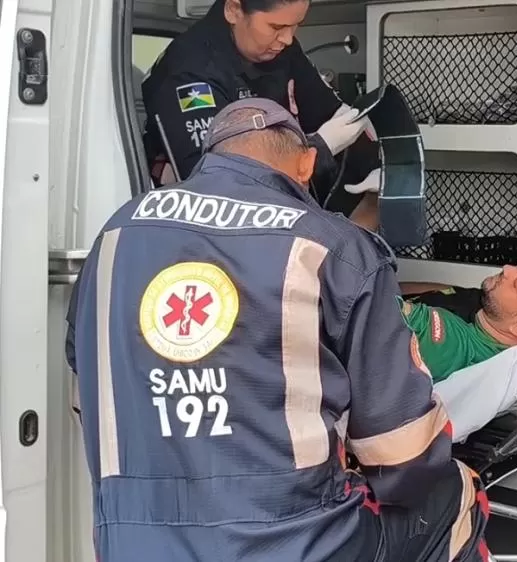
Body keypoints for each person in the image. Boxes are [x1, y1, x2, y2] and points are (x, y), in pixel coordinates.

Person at [64, 99, 490, 562]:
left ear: (211, 156)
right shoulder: (332, 246)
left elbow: (85, 367)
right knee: (456, 491)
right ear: (307, 163)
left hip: (130, 542)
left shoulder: (117, 233)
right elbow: (403, 456)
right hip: (296, 541)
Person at [141, 0, 381, 230]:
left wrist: (370, 153)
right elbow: (217, 184)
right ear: (233, 10)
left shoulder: (281, 49)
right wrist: (321, 147)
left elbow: (326, 109)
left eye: (295, 25)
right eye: (276, 27)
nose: (287, 39)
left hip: (284, 204)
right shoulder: (189, 72)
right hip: (220, 222)